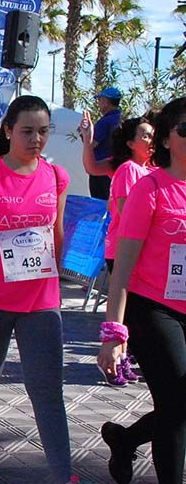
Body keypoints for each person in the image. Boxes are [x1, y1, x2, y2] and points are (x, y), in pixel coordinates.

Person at [0, 94, 111, 484]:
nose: (37, 138)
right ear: (8, 131)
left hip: (41, 300)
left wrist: (59, 275)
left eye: (43, 131)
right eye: (27, 131)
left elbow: (56, 233)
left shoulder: (56, 176)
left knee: (47, 390)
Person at [98, 97, 186, 484]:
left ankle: (127, 439)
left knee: (183, 403)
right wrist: (114, 332)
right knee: (175, 402)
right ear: (168, 136)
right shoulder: (150, 188)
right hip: (154, 308)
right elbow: (123, 267)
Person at [82, 113, 154, 386]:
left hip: (142, 249)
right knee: (124, 308)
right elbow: (126, 210)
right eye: (145, 135)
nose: (150, 140)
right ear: (131, 142)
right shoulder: (127, 170)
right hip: (122, 247)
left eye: (152, 135)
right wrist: (87, 140)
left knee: (133, 309)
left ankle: (122, 359)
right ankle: (114, 360)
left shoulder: (150, 169)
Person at [87, 87, 123, 200]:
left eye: (100, 100)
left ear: (106, 102)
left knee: (100, 203)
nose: (98, 104)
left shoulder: (104, 122)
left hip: (100, 170)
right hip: (117, 169)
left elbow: (91, 144)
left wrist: (84, 134)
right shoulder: (122, 120)